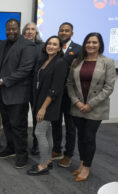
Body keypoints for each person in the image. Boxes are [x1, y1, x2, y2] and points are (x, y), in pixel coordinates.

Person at [67, 32, 115, 182]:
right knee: (81, 137)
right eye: (88, 42)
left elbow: (108, 88)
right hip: (78, 107)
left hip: (96, 108)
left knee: (89, 137)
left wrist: (90, 104)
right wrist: (77, 102)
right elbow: (69, 84)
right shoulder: (77, 61)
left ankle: (87, 166)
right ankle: (82, 163)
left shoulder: (107, 62)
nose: (91, 45)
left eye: (94, 42)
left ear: (100, 44)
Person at [0, 19, 36, 169]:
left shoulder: (28, 45)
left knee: (18, 126)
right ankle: (10, 148)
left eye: (14, 29)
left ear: (19, 29)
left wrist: (3, 81)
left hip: (18, 94)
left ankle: (22, 154)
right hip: (1, 94)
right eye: (8, 29)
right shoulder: (1, 44)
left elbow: (25, 70)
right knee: (7, 124)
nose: (11, 31)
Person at [26, 36, 67, 175]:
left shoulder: (60, 63)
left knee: (39, 132)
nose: (51, 46)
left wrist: (43, 107)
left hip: (49, 104)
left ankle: (42, 165)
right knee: (47, 132)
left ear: (60, 47)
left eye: (55, 44)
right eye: (49, 43)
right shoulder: (44, 60)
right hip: (40, 102)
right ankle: (48, 160)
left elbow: (55, 88)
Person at [52, 22, 82, 168]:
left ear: (72, 33)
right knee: (55, 123)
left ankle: (68, 154)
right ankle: (56, 150)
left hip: (70, 94)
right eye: (61, 30)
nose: (63, 33)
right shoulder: (53, 46)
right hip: (55, 94)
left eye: (67, 31)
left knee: (70, 125)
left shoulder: (78, 49)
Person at [22, 22, 44, 155]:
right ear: (24, 32)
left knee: (37, 117)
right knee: (20, 116)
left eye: (32, 29)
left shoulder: (42, 47)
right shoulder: (18, 45)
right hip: (20, 87)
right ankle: (22, 143)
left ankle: (36, 143)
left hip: (36, 88)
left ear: (36, 32)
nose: (30, 31)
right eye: (28, 29)